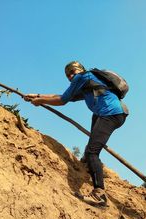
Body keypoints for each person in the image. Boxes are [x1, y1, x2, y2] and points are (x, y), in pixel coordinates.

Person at [25, 61, 128, 203]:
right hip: (112, 114)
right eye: (68, 75)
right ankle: (87, 161)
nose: (70, 76)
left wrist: (40, 101)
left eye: (73, 71)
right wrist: (37, 95)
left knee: (93, 152)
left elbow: (61, 100)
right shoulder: (86, 84)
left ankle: (99, 194)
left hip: (110, 114)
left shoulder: (83, 77)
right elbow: (61, 96)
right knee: (91, 146)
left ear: (80, 70)